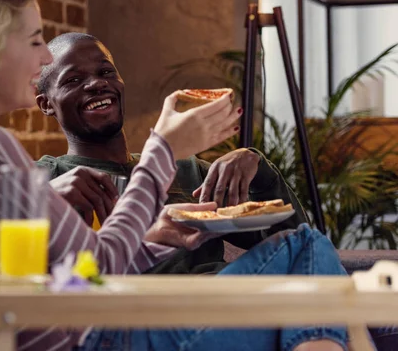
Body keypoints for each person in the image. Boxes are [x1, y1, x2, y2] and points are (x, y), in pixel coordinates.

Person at [0, 0, 349, 351]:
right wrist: (163, 148)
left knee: (309, 270)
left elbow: (72, 282)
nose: (41, 61)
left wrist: (156, 236)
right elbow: (100, 267)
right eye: (35, 41)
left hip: (94, 327)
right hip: (105, 337)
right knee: (304, 250)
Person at [34, 32, 307, 274]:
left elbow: (297, 244)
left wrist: (257, 168)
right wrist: (44, 199)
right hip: (152, 317)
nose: (96, 84)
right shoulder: (47, 178)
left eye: (105, 72)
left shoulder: (189, 170)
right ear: (46, 104)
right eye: (73, 79)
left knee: (314, 247)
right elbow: (15, 260)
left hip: (225, 301)